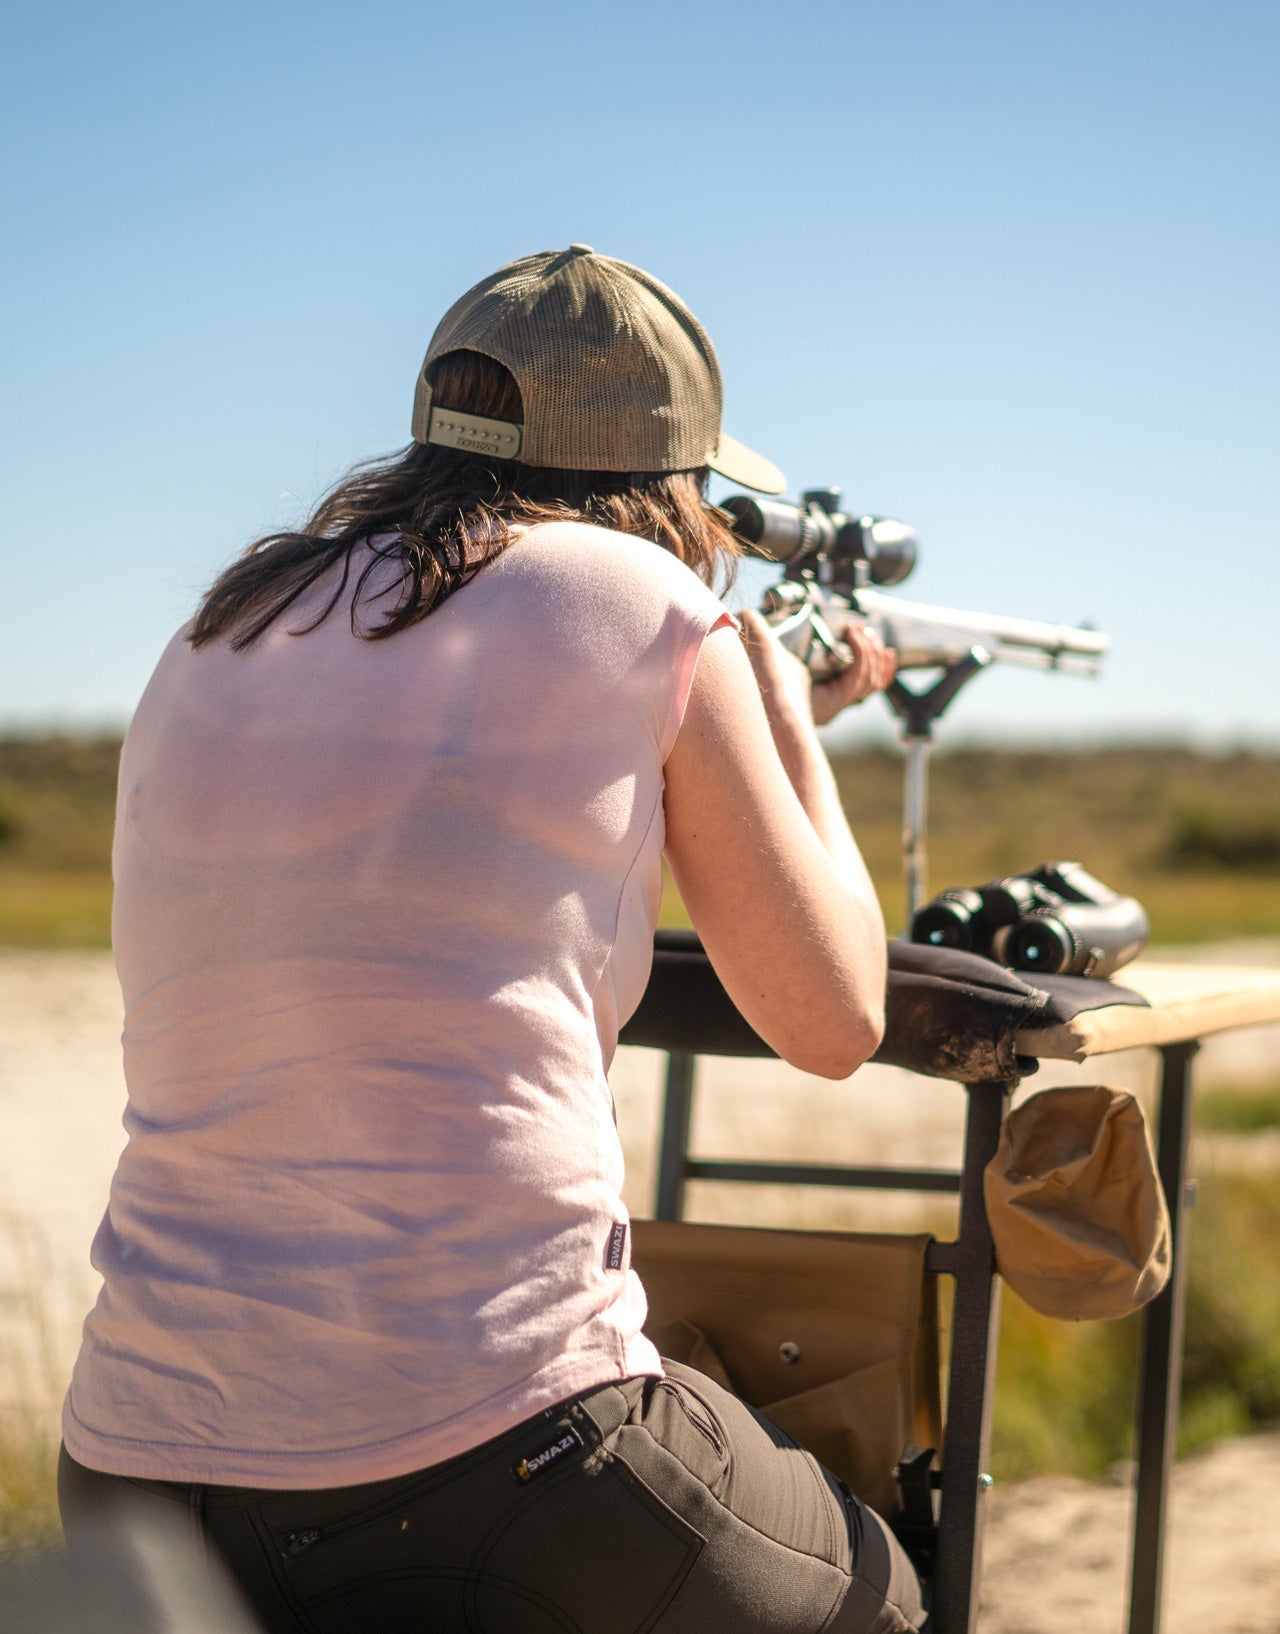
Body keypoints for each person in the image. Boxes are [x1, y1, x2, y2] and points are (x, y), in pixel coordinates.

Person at [58, 244, 925, 1632]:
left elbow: (433, 849)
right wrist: (769, 708)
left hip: (131, 1471)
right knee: (883, 1593)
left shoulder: (216, 626)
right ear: (668, 477)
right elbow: (834, 1019)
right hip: (488, 1447)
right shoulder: (652, 607)